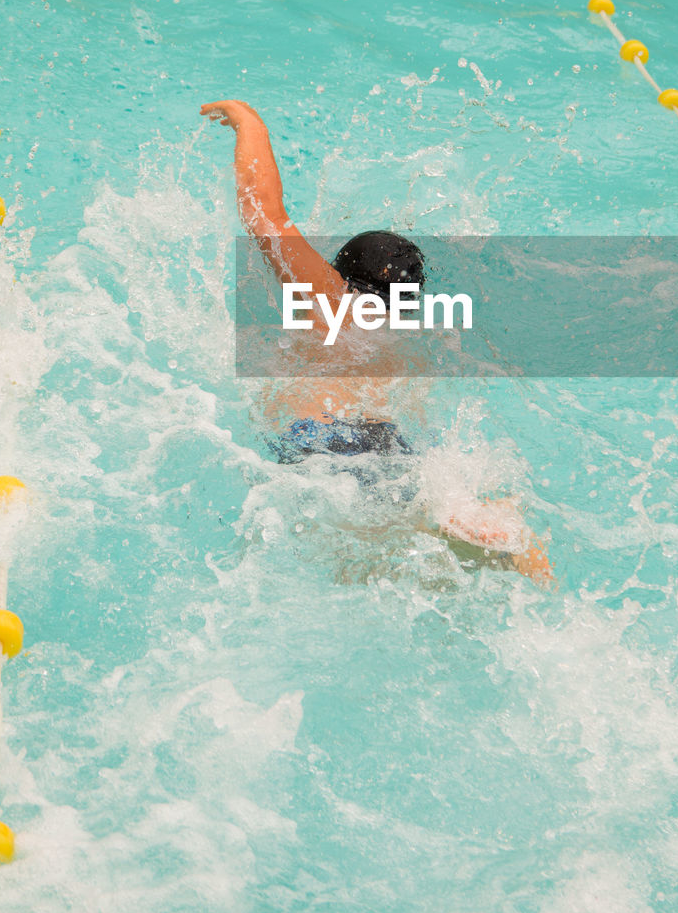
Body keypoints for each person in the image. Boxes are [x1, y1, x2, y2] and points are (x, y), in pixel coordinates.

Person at [200, 98, 553, 587]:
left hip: (323, 438)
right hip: (400, 444)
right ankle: (496, 532)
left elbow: (265, 215)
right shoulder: (414, 334)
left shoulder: (329, 298)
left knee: (361, 551)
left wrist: (248, 121)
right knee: (423, 515)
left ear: (339, 271)